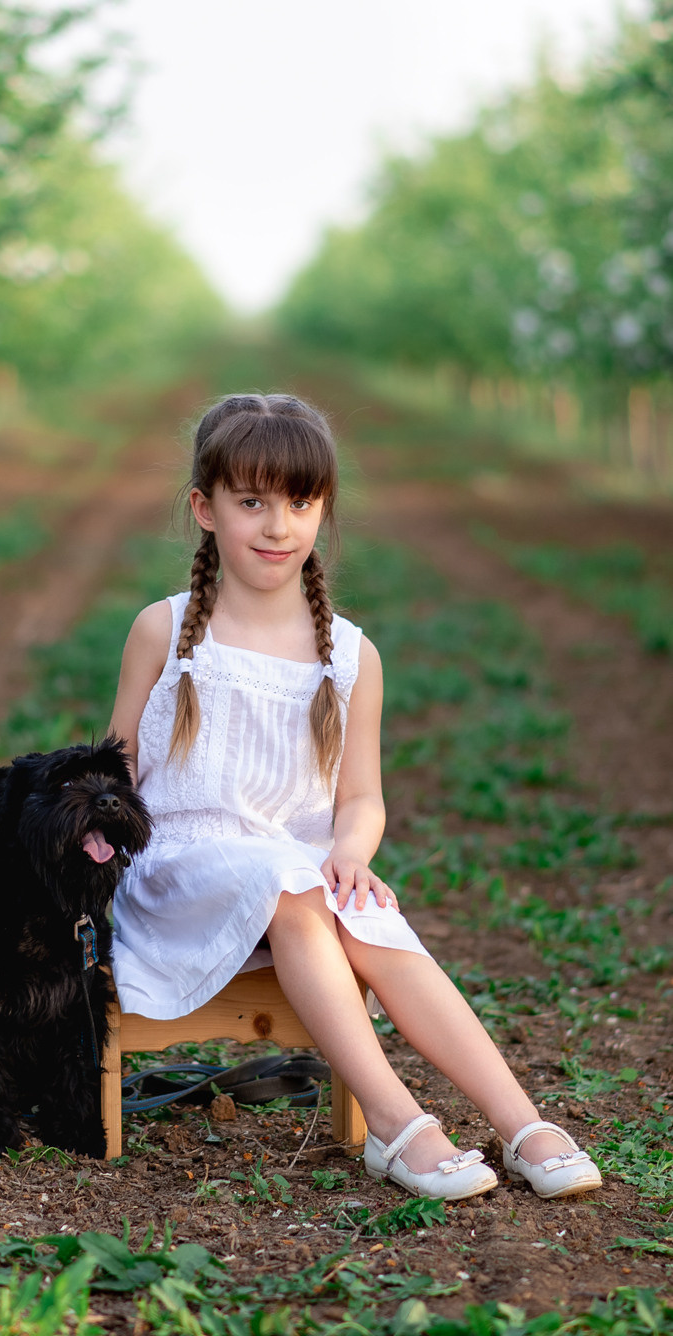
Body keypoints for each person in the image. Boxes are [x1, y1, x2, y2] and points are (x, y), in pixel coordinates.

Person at [108, 393, 601, 1202]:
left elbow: (361, 797)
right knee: (297, 894)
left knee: (359, 909)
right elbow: (113, 773)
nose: (277, 526)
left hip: (293, 866)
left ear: (323, 509)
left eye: (300, 502)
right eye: (251, 502)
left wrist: (349, 856)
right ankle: (400, 1124)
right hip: (181, 868)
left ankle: (523, 1122)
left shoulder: (349, 656)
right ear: (205, 508)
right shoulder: (163, 632)